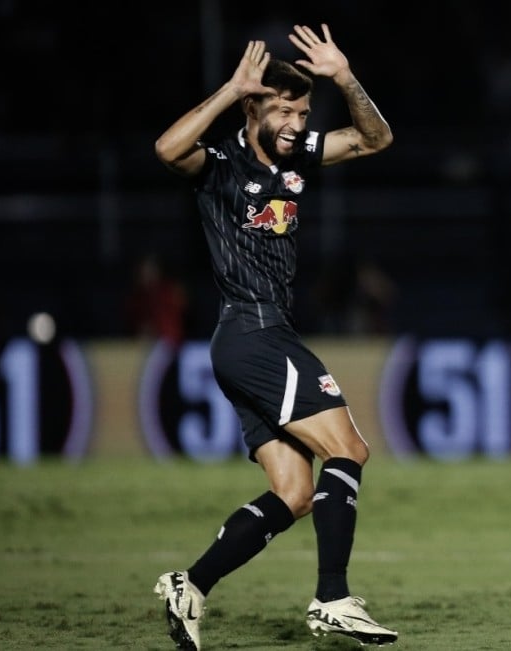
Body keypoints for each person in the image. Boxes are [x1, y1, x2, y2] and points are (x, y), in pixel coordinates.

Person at [151, 23, 396, 650]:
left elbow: (376, 139)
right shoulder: (222, 163)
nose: (295, 121)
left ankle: (192, 584)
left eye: (303, 110)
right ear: (253, 107)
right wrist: (231, 88)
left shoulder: (295, 156)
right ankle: (333, 598)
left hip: (254, 336)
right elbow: (166, 150)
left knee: (293, 492)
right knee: (351, 450)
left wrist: (344, 78)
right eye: (283, 109)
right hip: (253, 330)